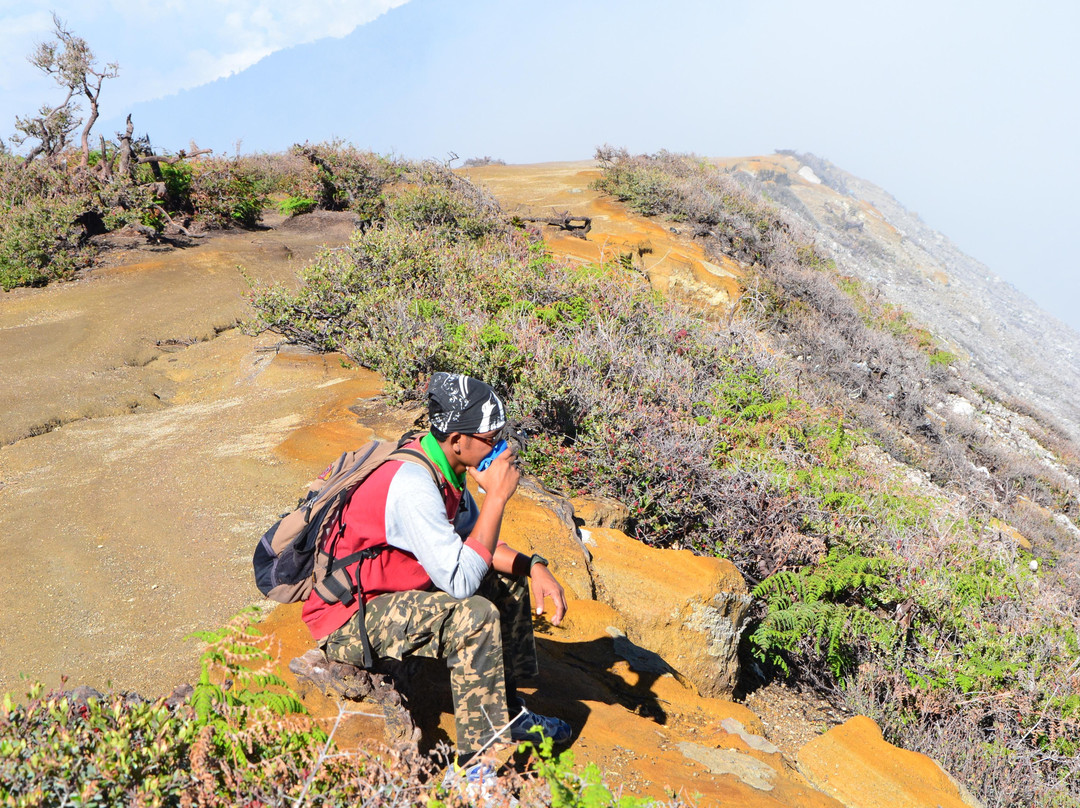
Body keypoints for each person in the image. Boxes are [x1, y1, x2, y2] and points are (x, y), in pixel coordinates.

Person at [301, 371, 571, 782]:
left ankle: (508, 711)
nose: (500, 449)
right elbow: (461, 583)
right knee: (474, 615)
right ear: (457, 439)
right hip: (349, 616)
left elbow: (472, 545)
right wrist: (497, 497)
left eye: (501, 438)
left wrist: (531, 565)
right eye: (490, 439)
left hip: (391, 593)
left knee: (509, 582)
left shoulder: (449, 468)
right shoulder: (413, 484)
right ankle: (474, 772)